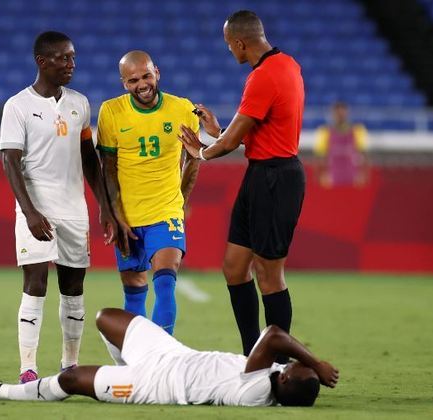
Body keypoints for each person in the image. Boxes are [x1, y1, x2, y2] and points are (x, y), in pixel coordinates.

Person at [178, 10, 305, 361]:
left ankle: (278, 363)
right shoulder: (288, 65)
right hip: (261, 174)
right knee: (234, 267)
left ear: (238, 42)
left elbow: (233, 142)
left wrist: (201, 152)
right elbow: (256, 134)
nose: (229, 52)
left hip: (276, 180)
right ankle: (252, 355)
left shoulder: (263, 77)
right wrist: (217, 133)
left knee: (269, 273)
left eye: (228, 45)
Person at [0, 31, 116, 383]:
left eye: (73, 58)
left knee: (74, 287)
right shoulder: (17, 106)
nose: (71, 65)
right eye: (63, 58)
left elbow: (89, 160)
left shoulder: (79, 103)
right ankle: (28, 368)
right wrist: (30, 211)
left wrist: (105, 207)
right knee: (35, 282)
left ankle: (69, 363)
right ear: (42, 61)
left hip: (73, 209)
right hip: (37, 207)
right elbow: (10, 160)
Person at [0, 308, 339, 407]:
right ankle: (119, 373)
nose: (290, 361)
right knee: (107, 318)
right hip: (174, 355)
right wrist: (311, 370)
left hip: (157, 385)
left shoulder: (256, 388)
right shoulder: (274, 377)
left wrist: (318, 364)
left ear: (285, 380)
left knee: (71, 380)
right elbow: (279, 346)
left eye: (293, 366)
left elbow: (274, 334)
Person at [96, 50, 201, 334]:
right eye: (133, 80)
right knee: (134, 289)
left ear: (157, 72)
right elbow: (107, 167)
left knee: (165, 282)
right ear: (123, 83)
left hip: (165, 213)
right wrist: (116, 215)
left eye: (146, 76)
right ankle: (137, 363)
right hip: (128, 215)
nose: (141, 84)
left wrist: (179, 202)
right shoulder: (111, 112)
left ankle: (162, 361)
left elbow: (194, 159)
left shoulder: (183, 109)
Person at [314, 101, 369, 187]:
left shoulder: (358, 131)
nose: (340, 115)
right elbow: (319, 158)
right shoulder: (324, 132)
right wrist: (321, 176)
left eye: (342, 112)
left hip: (354, 180)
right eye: (337, 112)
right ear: (333, 114)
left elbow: (365, 156)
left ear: (347, 113)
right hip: (331, 180)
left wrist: (363, 175)